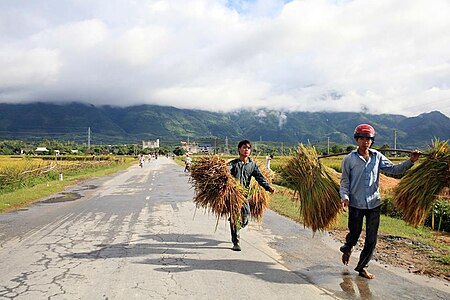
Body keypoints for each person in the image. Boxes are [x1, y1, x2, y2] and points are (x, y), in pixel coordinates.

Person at [339, 124, 420, 279]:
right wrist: (345, 198)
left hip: (374, 203)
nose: (365, 141)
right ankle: (348, 247)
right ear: (357, 139)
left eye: (368, 138)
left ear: (372, 140)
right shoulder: (349, 159)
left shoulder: (377, 157)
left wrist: (411, 161)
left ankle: (362, 267)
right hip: (356, 204)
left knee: (371, 238)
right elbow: (345, 182)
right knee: (354, 233)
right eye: (362, 138)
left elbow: (394, 169)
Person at [228, 140, 275, 251]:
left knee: (245, 216)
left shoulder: (252, 165)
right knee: (235, 217)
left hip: (244, 195)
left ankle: (238, 225)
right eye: (244, 148)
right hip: (233, 195)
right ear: (239, 149)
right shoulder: (233, 164)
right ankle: (236, 242)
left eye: (248, 148)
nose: (246, 150)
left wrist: (268, 187)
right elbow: (226, 172)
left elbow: (260, 178)